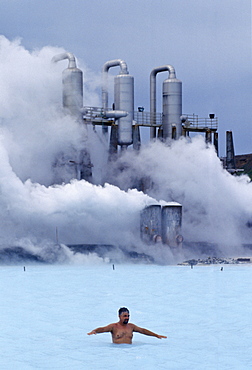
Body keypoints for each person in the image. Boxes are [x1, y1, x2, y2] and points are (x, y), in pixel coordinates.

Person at [87, 307, 167, 344]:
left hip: (130, 352)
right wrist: (94, 331)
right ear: (119, 316)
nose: (127, 318)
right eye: (125, 316)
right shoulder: (114, 327)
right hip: (116, 352)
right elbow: (103, 329)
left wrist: (156, 335)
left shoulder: (131, 326)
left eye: (128, 316)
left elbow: (143, 331)